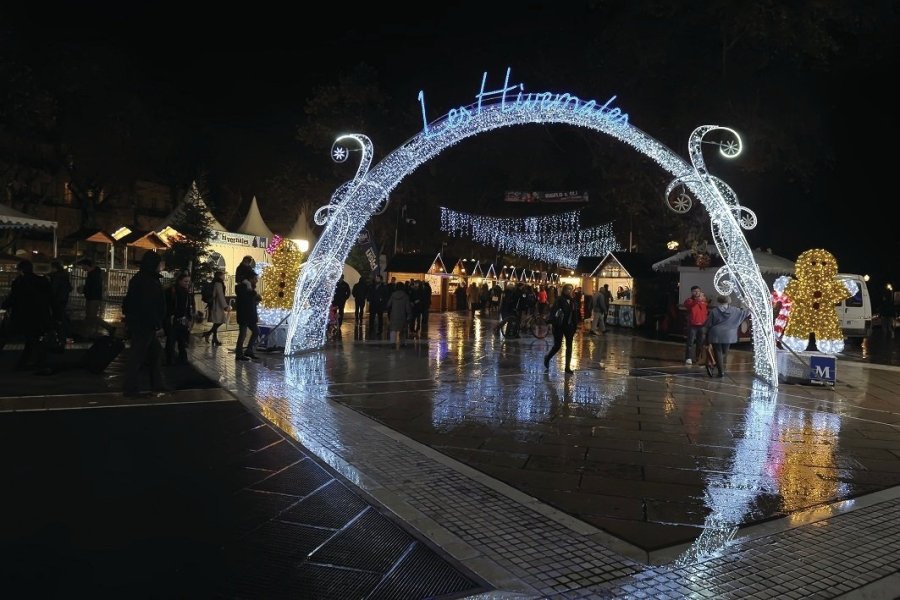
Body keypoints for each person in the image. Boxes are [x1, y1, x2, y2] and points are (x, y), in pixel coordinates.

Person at [122, 252, 167, 396]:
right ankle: (131, 388)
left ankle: (157, 384)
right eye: (160, 263)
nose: (162, 266)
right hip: (144, 324)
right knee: (137, 356)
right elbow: (148, 305)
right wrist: (156, 324)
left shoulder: (144, 278)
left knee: (155, 353)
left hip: (143, 323)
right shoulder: (147, 280)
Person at [1, 260, 53, 373]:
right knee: (33, 340)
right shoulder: (43, 281)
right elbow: (51, 300)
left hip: (21, 316)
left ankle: (27, 363)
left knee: (7, 336)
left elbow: (13, 298)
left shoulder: (19, 282)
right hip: (39, 316)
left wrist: (4, 306)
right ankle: (36, 363)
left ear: (21, 270)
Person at [705, 295, 751, 378]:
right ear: (729, 301)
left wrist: (706, 333)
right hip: (729, 334)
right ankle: (717, 366)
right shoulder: (735, 310)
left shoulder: (714, 311)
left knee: (717, 351)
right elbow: (746, 313)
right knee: (724, 352)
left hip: (716, 333)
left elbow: (709, 324)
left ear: (719, 301)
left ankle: (719, 370)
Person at [544, 283, 579, 374]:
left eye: (571, 289)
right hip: (559, 326)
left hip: (569, 326)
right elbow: (554, 312)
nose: (570, 291)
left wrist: (575, 325)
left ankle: (567, 367)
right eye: (568, 289)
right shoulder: (559, 300)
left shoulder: (573, 301)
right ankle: (547, 358)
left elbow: (575, 314)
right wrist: (550, 322)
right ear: (564, 290)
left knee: (569, 346)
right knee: (557, 345)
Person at [164, 271, 195, 365]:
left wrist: (189, 318)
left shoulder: (187, 292)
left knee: (182, 341)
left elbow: (189, 306)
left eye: (188, 282)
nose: (187, 284)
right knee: (171, 341)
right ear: (179, 281)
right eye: (185, 281)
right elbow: (167, 306)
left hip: (183, 320)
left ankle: (182, 360)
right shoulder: (171, 291)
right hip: (173, 320)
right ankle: (170, 360)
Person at [78, 258, 113, 337]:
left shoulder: (94, 275)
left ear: (86, 265)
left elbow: (94, 287)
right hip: (92, 297)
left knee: (92, 316)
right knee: (89, 316)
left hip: (93, 298)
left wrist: (84, 290)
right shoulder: (93, 274)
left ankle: (109, 328)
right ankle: (89, 332)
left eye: (83, 266)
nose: (82, 268)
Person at [235, 272, 261, 361]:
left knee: (256, 331)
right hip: (244, 315)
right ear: (250, 280)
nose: (257, 281)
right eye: (255, 279)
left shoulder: (250, 288)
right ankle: (239, 354)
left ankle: (249, 350)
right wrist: (253, 294)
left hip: (250, 315)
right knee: (243, 334)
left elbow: (252, 300)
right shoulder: (242, 288)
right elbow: (246, 300)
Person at [202, 270, 228, 346]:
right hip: (217, 305)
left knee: (217, 322)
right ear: (219, 276)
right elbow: (220, 295)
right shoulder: (218, 283)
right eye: (223, 275)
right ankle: (208, 334)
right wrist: (225, 306)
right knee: (220, 321)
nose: (224, 276)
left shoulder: (216, 282)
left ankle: (214, 338)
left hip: (215, 304)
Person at [683, 285, 708, 365]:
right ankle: (688, 358)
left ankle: (698, 358)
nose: (697, 292)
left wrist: (702, 301)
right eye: (695, 291)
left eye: (698, 291)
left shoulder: (704, 301)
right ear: (692, 292)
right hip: (692, 325)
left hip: (702, 325)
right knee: (690, 342)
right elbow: (690, 306)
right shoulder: (689, 301)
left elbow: (705, 312)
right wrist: (698, 300)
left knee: (700, 343)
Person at [48, 260, 72, 343]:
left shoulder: (56, 276)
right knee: (61, 315)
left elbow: (53, 289)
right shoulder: (64, 276)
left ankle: (63, 333)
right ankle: (65, 332)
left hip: (57, 299)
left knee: (59, 316)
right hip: (64, 298)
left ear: (54, 268)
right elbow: (70, 288)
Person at [386, 281, 412, 348]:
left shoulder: (393, 295)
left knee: (393, 330)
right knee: (402, 330)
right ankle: (402, 343)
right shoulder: (405, 296)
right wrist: (409, 315)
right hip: (402, 315)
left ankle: (392, 343)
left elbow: (388, 304)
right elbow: (407, 307)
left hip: (394, 315)